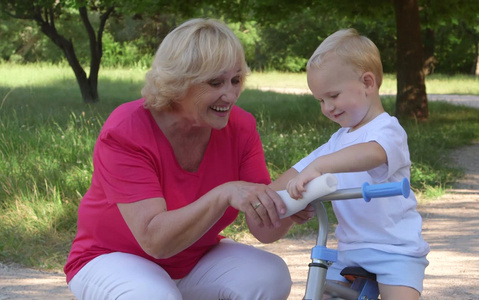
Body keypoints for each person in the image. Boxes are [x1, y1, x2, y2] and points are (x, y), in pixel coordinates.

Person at [64, 18, 313, 300]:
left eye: (235, 80)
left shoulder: (241, 127)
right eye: (215, 82)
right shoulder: (127, 130)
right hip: (111, 256)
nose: (230, 94)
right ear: (178, 82)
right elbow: (155, 241)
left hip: (193, 259)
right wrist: (224, 194)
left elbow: (263, 230)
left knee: (269, 275)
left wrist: (289, 208)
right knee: (153, 296)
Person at [271, 29, 430, 300]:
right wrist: (269, 197)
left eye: (333, 95)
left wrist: (321, 166)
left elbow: (373, 154)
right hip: (349, 252)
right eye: (320, 100)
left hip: (395, 251)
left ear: (368, 83)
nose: (327, 107)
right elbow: (297, 172)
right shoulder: (337, 142)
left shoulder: (387, 130)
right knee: (319, 292)